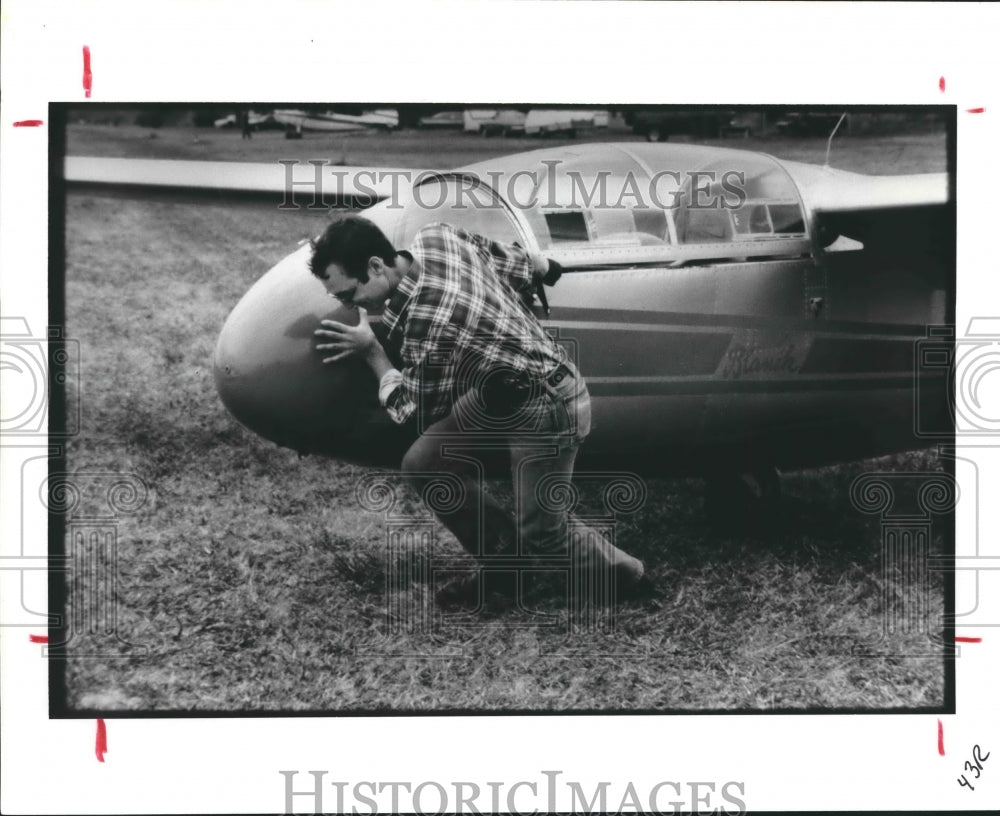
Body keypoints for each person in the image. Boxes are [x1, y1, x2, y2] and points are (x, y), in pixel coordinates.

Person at [311, 216, 648, 608]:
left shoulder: (425, 321)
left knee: (543, 530)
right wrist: (542, 268)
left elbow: (412, 410)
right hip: (498, 392)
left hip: (547, 405)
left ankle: (631, 577)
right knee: (425, 463)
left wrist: (373, 354)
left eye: (349, 295)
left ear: (375, 266)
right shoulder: (437, 237)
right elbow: (511, 259)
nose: (351, 306)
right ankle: (507, 570)